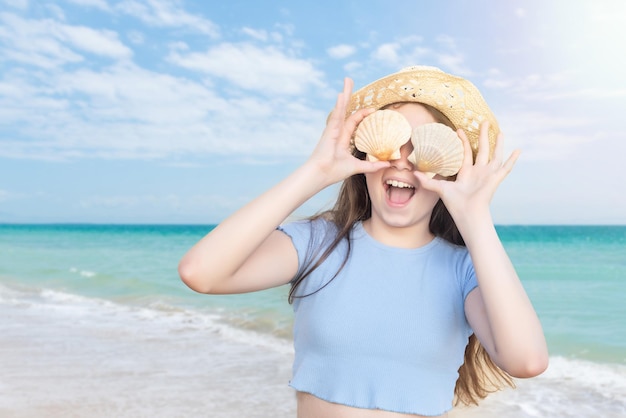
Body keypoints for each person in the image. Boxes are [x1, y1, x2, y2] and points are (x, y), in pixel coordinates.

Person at [178, 66, 549, 418]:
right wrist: (316, 172)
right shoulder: (318, 244)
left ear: (450, 169)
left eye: (422, 147)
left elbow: (526, 360)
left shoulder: (463, 269)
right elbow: (201, 273)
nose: (403, 162)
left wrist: (475, 216)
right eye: (393, 142)